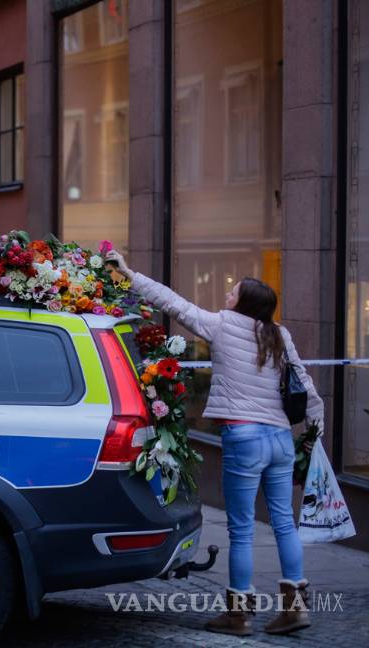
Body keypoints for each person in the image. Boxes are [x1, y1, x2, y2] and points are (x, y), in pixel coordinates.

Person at [104, 250, 323, 637]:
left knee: (241, 529)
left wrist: (129, 275)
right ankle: (295, 608)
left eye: (232, 292)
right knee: (285, 523)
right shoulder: (280, 335)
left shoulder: (222, 326)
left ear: (243, 303)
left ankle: (239, 613)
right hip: (280, 440)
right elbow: (305, 388)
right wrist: (313, 432)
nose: (226, 297)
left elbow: (172, 302)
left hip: (244, 437)